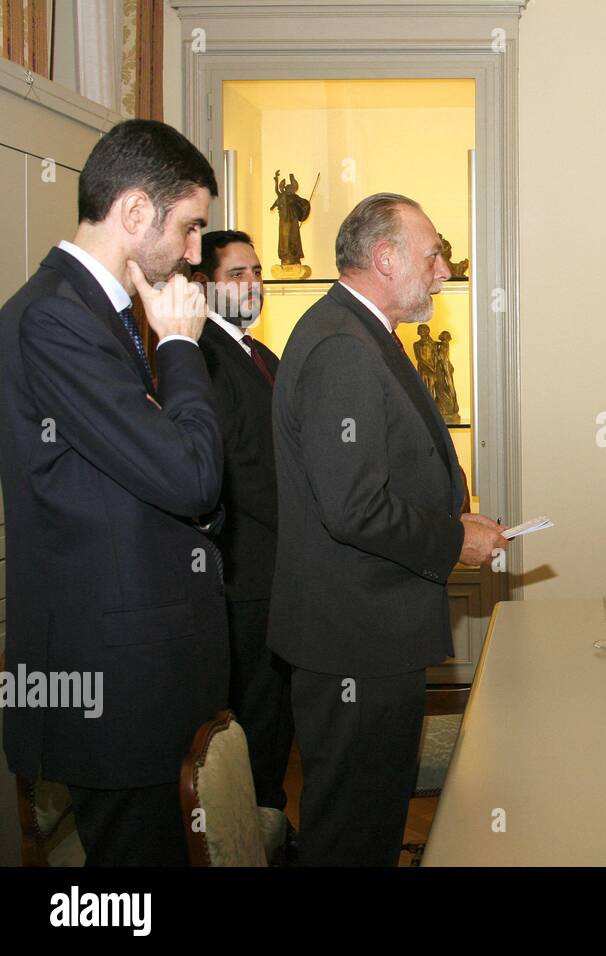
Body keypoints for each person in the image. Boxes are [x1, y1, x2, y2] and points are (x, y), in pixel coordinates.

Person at [0, 119, 225, 865]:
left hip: (137, 675)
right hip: (112, 687)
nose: (196, 253)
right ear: (134, 212)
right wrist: (185, 347)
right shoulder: (57, 316)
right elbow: (190, 476)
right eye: (190, 228)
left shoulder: (96, 309)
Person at [269, 193, 508, 866]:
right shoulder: (343, 347)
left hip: (367, 630)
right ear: (385, 257)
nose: (442, 270)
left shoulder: (361, 331)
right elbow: (352, 506)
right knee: (352, 823)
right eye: (432, 255)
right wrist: (451, 539)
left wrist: (452, 515)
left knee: (373, 810)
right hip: (354, 639)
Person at [192, 230, 294, 818]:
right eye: (237, 273)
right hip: (246, 574)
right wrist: (307, 523)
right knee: (253, 716)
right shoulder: (201, 353)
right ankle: (250, 836)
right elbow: (235, 469)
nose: (252, 283)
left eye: (256, 271)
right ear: (203, 284)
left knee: (276, 714)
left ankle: (271, 823)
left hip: (276, 571)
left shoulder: (261, 354)